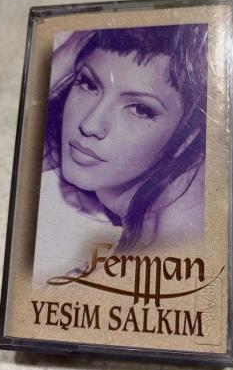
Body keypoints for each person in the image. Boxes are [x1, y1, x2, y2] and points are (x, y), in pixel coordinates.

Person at [32, 23, 208, 284]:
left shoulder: (177, 230)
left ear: (188, 137)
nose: (90, 124)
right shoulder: (137, 194)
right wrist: (66, 56)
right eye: (89, 84)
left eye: (139, 110)